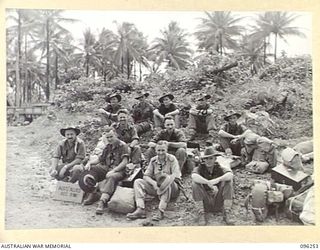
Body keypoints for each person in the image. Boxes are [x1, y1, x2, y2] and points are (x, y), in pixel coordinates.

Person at [79, 126, 129, 215]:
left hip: (119, 171)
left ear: (116, 135)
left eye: (111, 137)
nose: (109, 139)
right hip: (107, 168)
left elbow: (125, 162)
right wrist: (90, 163)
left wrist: (114, 170)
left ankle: (102, 201)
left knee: (111, 177)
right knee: (92, 169)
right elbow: (100, 159)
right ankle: (93, 193)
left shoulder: (123, 146)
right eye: (108, 137)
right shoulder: (108, 146)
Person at [126, 140, 181, 221]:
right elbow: (146, 176)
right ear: (155, 151)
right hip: (158, 187)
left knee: (167, 181)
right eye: (158, 150)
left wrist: (164, 182)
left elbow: (175, 175)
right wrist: (154, 183)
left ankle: (161, 211)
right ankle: (140, 208)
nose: (161, 153)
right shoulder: (153, 160)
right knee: (138, 182)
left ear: (167, 150)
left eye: (163, 150)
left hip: (172, 188)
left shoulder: (172, 159)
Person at [191, 146, 235, 225]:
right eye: (206, 159)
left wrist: (218, 179)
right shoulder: (200, 168)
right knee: (195, 184)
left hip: (218, 200)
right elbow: (194, 176)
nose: (208, 161)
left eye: (211, 158)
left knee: (228, 181)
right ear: (203, 160)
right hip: (205, 201)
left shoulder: (219, 167)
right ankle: (201, 213)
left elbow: (230, 175)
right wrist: (207, 182)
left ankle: (227, 212)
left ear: (215, 159)